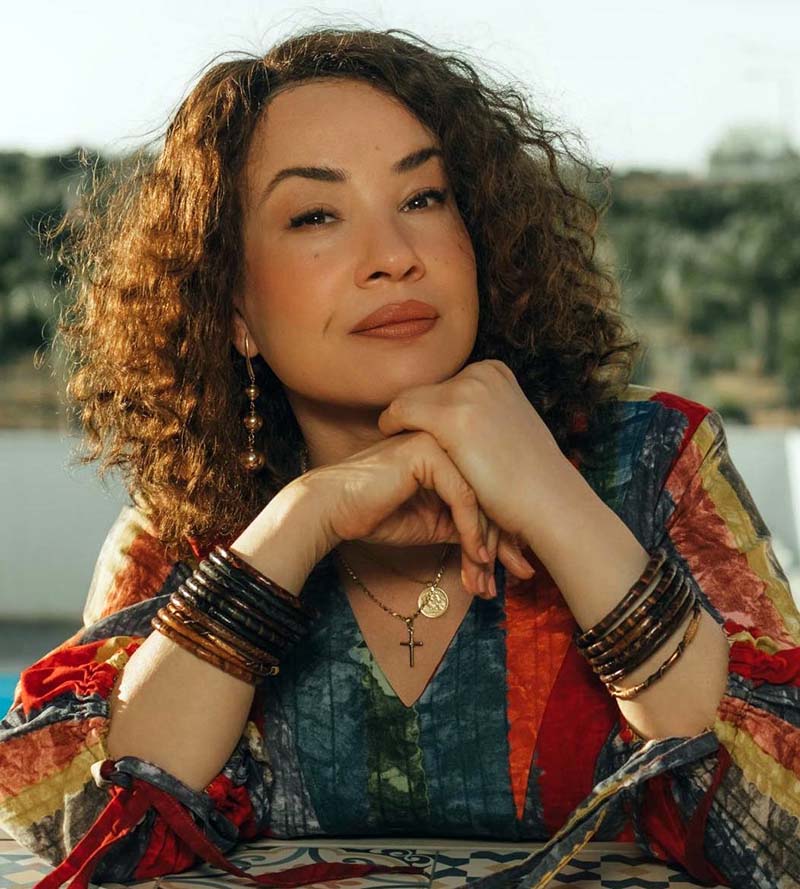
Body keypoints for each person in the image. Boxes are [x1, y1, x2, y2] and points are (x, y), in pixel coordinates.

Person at [1, 25, 798, 889]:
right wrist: (303, 519)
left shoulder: (657, 464)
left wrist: (552, 495)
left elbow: (782, 830)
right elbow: (88, 831)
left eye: (423, 198)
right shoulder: (189, 525)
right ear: (233, 309)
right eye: (315, 215)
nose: (393, 258)